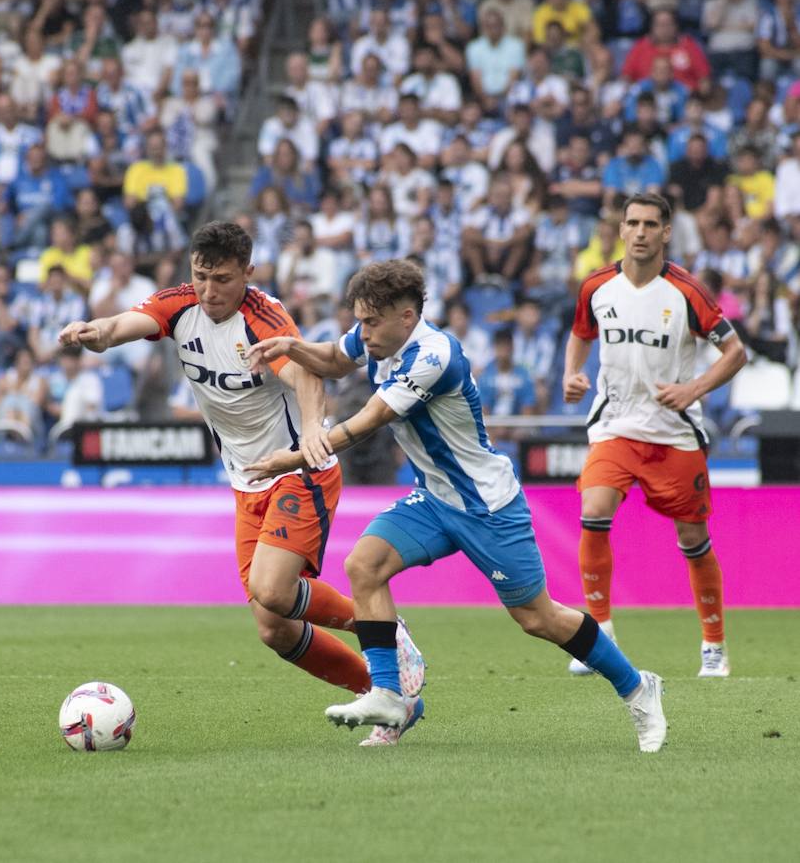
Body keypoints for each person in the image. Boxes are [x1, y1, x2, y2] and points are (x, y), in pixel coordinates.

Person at [243, 258, 668, 752]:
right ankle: (387, 693)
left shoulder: (435, 355)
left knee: (538, 618)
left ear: (406, 316)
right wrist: (293, 345)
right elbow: (336, 360)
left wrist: (293, 458)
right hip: (433, 499)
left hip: (487, 505)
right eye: (360, 320)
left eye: (371, 322)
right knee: (364, 565)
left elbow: (367, 422)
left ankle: (638, 687)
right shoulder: (378, 338)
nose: (363, 332)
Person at [57, 221, 427, 747]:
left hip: (299, 470)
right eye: (201, 276)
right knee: (273, 627)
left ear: (247, 274)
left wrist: (314, 433)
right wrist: (96, 332)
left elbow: (303, 374)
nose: (210, 291)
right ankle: (387, 698)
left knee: (272, 590)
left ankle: (388, 633)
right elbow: (125, 324)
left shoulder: (261, 319)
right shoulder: (178, 305)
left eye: (223, 279)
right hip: (246, 481)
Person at [562, 193, 747, 678]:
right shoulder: (597, 286)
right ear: (620, 230)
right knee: (593, 510)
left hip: (673, 435)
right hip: (615, 425)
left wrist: (694, 388)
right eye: (633, 223)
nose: (641, 232)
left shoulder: (687, 291)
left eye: (650, 224)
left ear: (666, 232)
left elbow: (734, 351)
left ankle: (713, 644)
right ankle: (599, 632)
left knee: (693, 539)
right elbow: (581, 333)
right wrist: (572, 374)